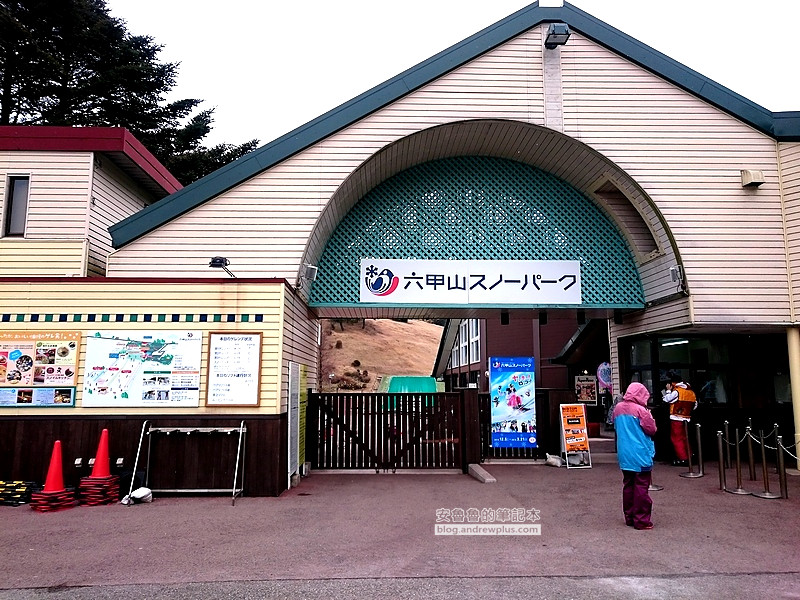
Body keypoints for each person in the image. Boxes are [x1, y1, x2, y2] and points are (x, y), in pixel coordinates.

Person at [612, 382, 657, 530]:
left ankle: (629, 517)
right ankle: (641, 520)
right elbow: (652, 429)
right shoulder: (641, 411)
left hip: (625, 454)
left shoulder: (617, 408)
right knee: (641, 487)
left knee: (628, 485)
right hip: (640, 454)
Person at [662, 374, 697, 466]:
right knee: (685, 438)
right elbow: (695, 405)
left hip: (676, 417)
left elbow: (667, 399)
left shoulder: (677, 391)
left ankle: (683, 458)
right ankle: (690, 455)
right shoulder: (690, 392)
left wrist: (668, 391)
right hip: (687, 418)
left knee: (677, 439)